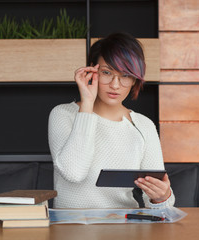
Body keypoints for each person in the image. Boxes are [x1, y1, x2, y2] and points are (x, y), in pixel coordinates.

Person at [48, 32, 175, 209]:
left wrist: (162, 197)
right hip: (72, 229)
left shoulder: (143, 125)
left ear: (134, 79)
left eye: (125, 75)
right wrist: (87, 104)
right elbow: (74, 173)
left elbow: (160, 205)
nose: (115, 85)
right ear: (92, 71)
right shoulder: (63, 114)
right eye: (106, 72)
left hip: (123, 227)